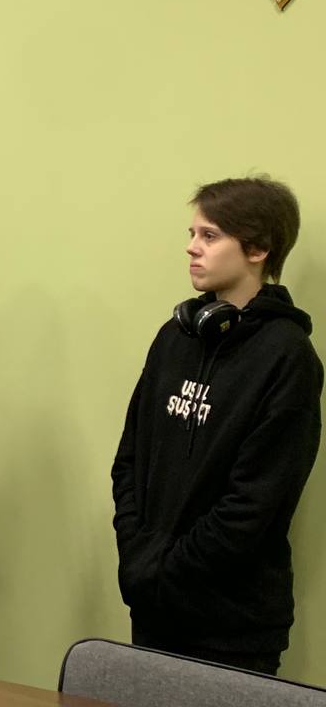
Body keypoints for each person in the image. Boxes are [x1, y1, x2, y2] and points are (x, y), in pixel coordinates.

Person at [112, 176, 322, 675]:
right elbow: (129, 461)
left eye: (209, 236)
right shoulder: (175, 337)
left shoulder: (288, 357)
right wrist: (138, 557)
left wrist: (162, 571)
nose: (192, 247)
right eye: (192, 233)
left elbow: (254, 504)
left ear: (258, 249)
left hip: (233, 625)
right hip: (154, 609)